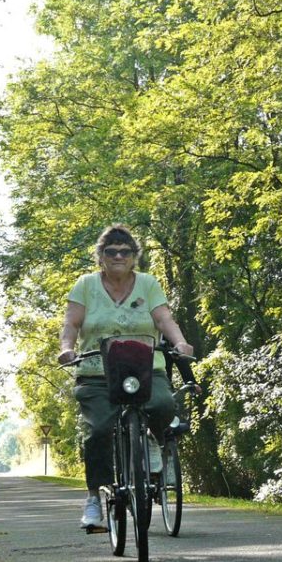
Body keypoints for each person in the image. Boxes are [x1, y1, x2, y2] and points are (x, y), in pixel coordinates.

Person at [57, 224, 196, 529]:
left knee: (162, 406)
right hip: (97, 371)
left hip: (144, 367)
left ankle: (154, 442)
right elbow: (71, 324)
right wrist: (66, 348)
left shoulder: (147, 284)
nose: (118, 256)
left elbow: (163, 319)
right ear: (101, 257)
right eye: (111, 251)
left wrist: (180, 342)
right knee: (98, 430)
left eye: (125, 251)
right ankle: (95, 498)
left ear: (134, 257)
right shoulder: (85, 285)